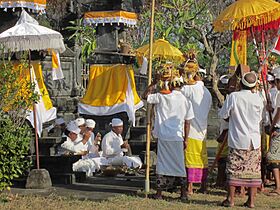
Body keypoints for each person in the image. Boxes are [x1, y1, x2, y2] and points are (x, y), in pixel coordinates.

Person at [145, 68, 194, 202]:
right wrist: (186, 139)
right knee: (179, 165)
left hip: (164, 136)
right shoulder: (186, 100)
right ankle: (183, 193)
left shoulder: (161, 96)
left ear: (171, 85)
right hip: (178, 136)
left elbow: (145, 96)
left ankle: (159, 193)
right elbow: (188, 122)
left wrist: (153, 83)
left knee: (162, 164)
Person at [219, 72, 265, 208]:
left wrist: (234, 116)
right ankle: (251, 202)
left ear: (241, 83)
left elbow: (224, 115)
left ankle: (230, 200)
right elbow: (261, 118)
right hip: (253, 141)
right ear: (254, 85)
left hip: (238, 139)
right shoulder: (258, 98)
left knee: (233, 170)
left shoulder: (233, 97)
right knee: (253, 172)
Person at [181, 66, 212, 194]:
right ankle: (203, 186)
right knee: (202, 158)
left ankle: (190, 186)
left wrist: (183, 75)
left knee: (190, 158)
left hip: (192, 128)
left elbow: (177, 90)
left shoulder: (190, 89)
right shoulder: (207, 93)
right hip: (202, 130)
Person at [267, 72, 280, 196]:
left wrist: (272, 126)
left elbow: (278, 113)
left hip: (278, 128)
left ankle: (278, 187)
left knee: (273, 158)